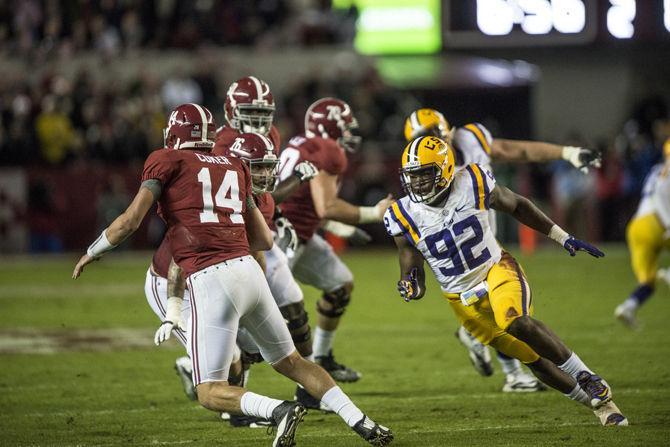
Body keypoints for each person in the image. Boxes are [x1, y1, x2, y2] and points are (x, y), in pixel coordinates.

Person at [73, 103, 394, 446]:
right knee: (294, 362)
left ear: (173, 134)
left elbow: (130, 221)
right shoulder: (235, 165)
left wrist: (92, 251)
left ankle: (278, 411)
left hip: (211, 279)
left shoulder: (166, 160)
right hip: (250, 271)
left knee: (209, 392)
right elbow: (264, 240)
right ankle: (364, 423)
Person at [384, 135, 627, 426]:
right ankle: (603, 407)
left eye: (425, 173)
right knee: (534, 360)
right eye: (413, 176)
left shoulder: (471, 181)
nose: (418, 182)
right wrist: (411, 283)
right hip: (461, 300)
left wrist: (562, 237)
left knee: (515, 320)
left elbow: (518, 206)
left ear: (446, 169)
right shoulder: (401, 213)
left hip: (496, 269)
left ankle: (585, 375)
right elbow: (410, 258)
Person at [403, 108, 601, 392]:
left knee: (507, 311)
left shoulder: (471, 139)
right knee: (497, 310)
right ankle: (513, 373)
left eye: (434, 132)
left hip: (486, 239)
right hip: (456, 253)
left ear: (448, 129)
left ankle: (510, 367)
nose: (432, 139)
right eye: (422, 137)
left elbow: (512, 150)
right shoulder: (419, 173)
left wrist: (567, 153)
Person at [277, 97, 394, 382]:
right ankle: (202, 369)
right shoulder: (326, 150)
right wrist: (374, 212)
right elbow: (326, 206)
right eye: (345, 126)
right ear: (331, 126)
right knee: (262, 318)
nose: (349, 133)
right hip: (279, 238)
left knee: (340, 284)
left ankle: (322, 358)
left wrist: (339, 228)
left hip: (298, 233)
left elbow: (307, 201)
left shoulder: (302, 143)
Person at [614, 138, 670, 328]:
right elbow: (661, 190)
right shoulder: (665, 170)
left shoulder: (656, 169)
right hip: (657, 222)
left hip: (637, 227)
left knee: (648, 281)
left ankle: (627, 308)